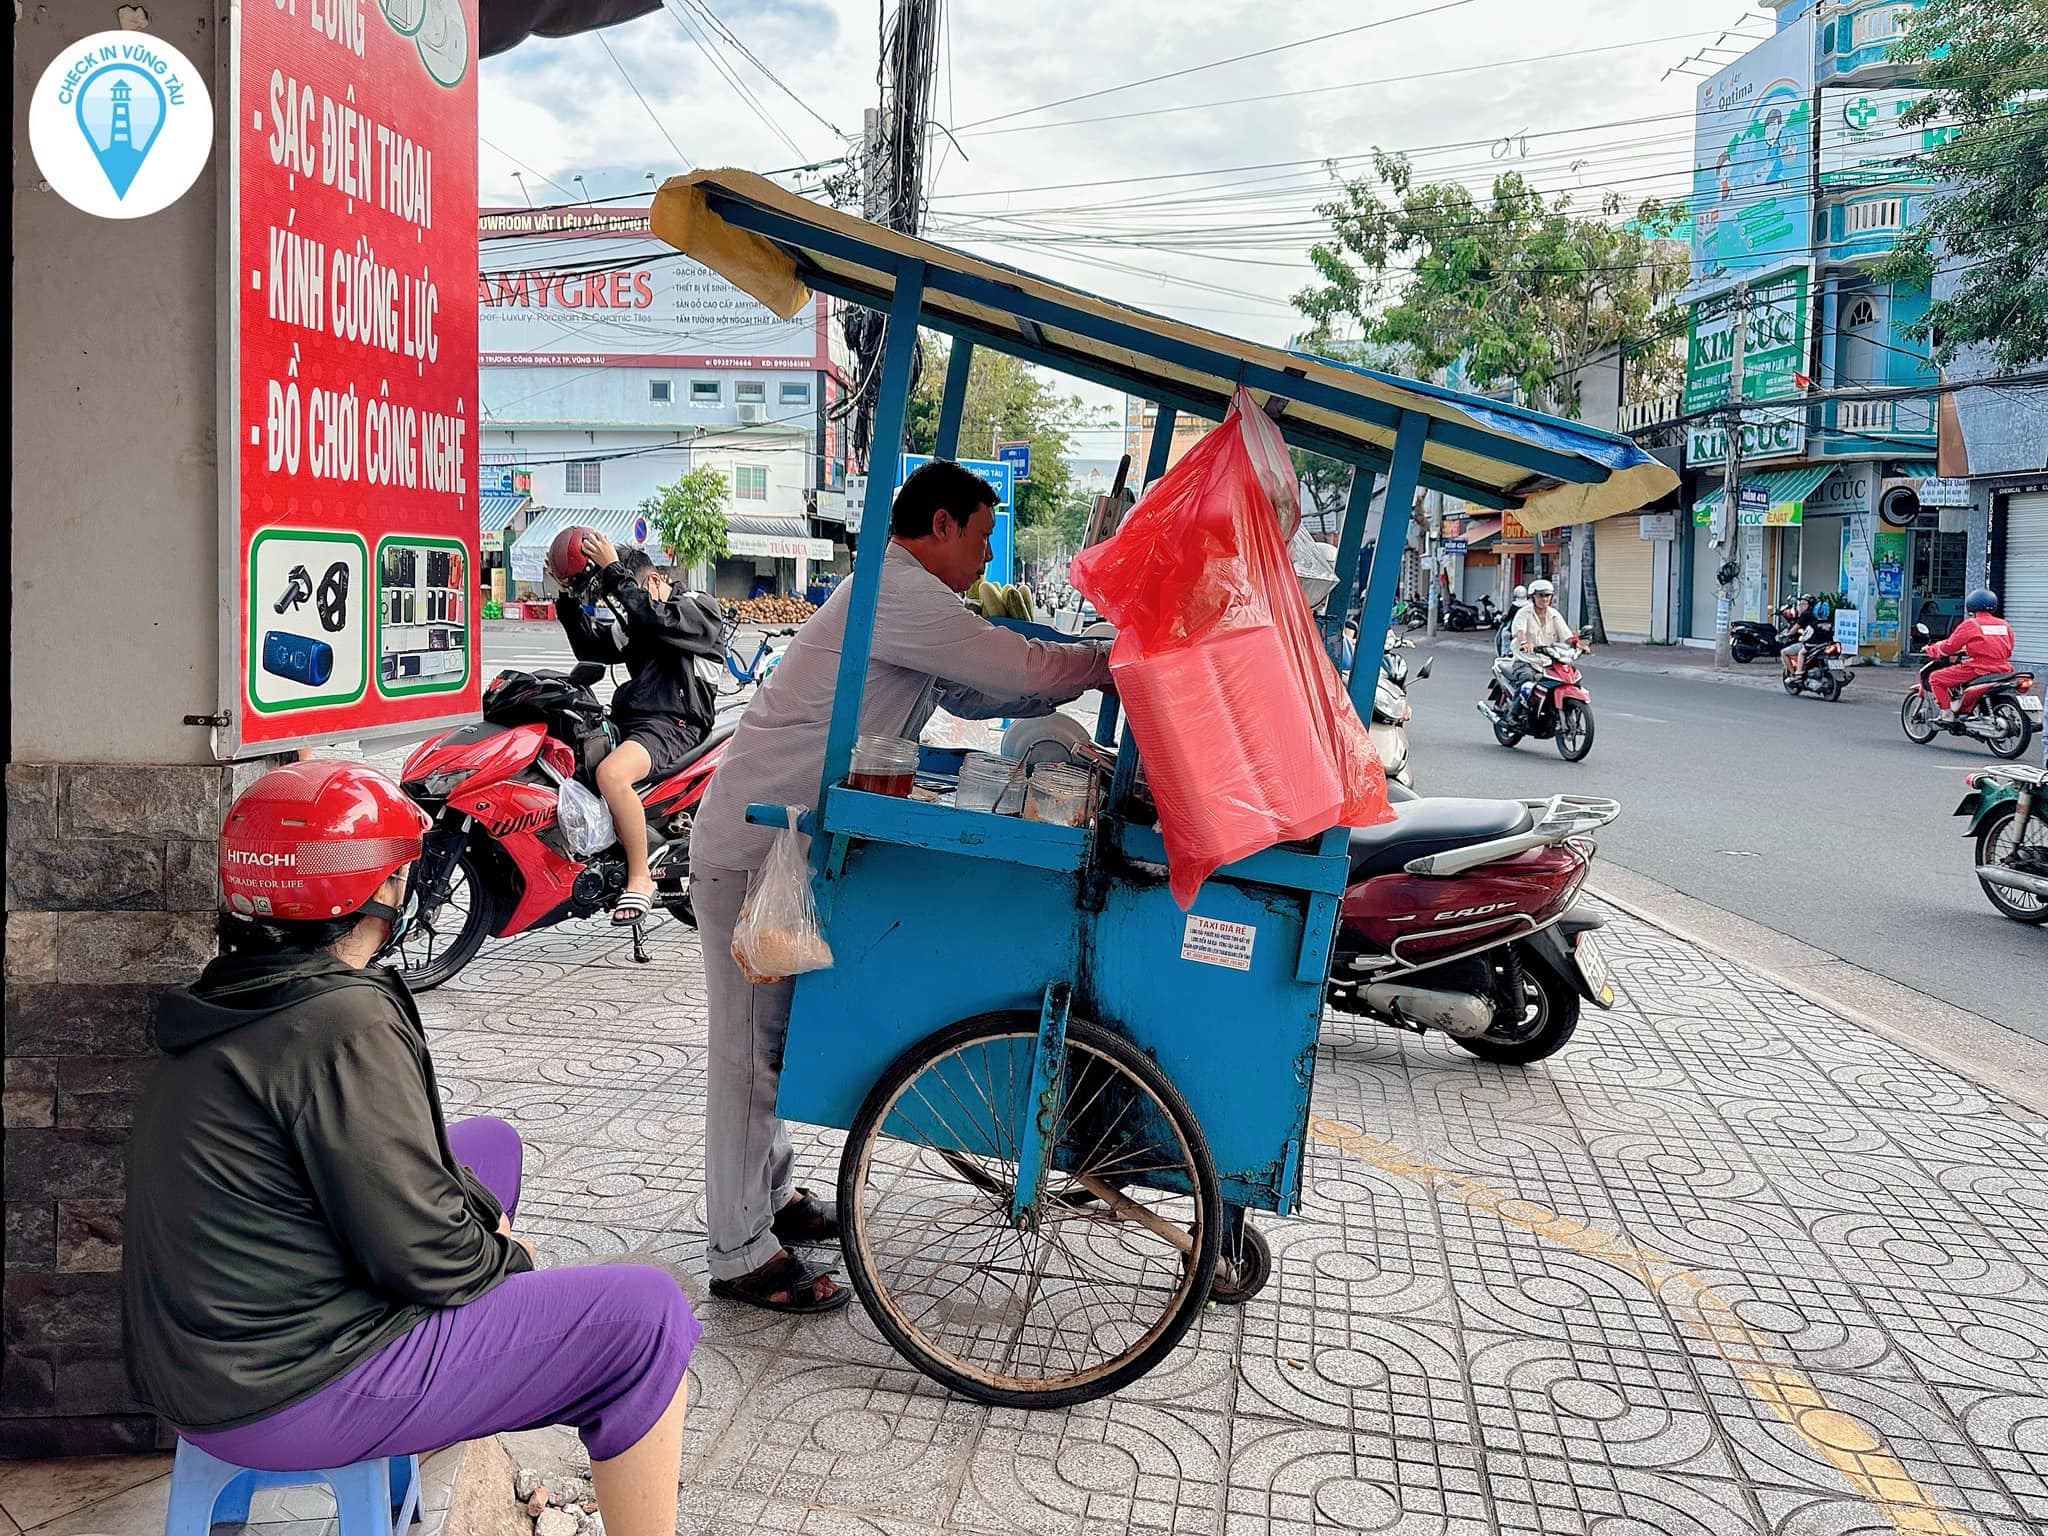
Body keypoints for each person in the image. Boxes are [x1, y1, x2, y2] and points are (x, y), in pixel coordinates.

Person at [122, 762, 696, 1534]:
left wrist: (473, 1223)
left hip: (207, 1360)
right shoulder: (338, 1019)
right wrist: (505, 1255)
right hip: (283, 1387)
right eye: (396, 872)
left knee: (488, 1149)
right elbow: (425, 1256)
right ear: (371, 890)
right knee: (646, 1316)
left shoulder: (241, 987)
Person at [688, 460, 1113, 1312]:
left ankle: (767, 1199)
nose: (987, 559)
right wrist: (1106, 662)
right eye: (984, 538)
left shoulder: (908, 599)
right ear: (943, 524)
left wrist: (1067, 671)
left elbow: (976, 684)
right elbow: (1015, 662)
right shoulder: (897, 588)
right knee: (747, 1053)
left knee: (774, 1041)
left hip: (787, 844)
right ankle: (739, 1253)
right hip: (753, 845)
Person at [556, 533, 724, 924]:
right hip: (634, 720)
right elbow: (592, 647)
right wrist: (566, 597)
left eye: (628, 589)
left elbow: (653, 617)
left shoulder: (698, 608)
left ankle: (640, 876)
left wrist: (614, 571)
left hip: (675, 723)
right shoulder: (641, 621)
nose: (625, 603)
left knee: (612, 774)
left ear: (648, 583)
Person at [1926, 589, 2015, 724]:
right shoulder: (2004, 624)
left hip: (1978, 668)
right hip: (2003, 668)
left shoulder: (1971, 624)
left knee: (1935, 678)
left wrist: (1932, 649)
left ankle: (1947, 714)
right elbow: (2008, 649)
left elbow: (1949, 647)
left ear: (1971, 605)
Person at [1505, 578, 1578, 722]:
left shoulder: (1554, 614)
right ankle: (1513, 714)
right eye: (1541, 595)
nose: (1544, 598)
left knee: (1570, 678)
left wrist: (1578, 643)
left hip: (1548, 659)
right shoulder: (1524, 613)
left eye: (1547, 595)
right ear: (1533, 597)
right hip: (1525, 658)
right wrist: (1524, 642)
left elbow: (1566, 636)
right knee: (1527, 679)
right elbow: (1519, 631)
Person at [1497, 583, 1529, 658]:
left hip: (1513, 629)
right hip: (1526, 629)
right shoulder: (1529, 605)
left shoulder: (1514, 605)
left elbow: (1508, 618)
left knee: (1505, 634)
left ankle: (1505, 654)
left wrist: (1501, 619)